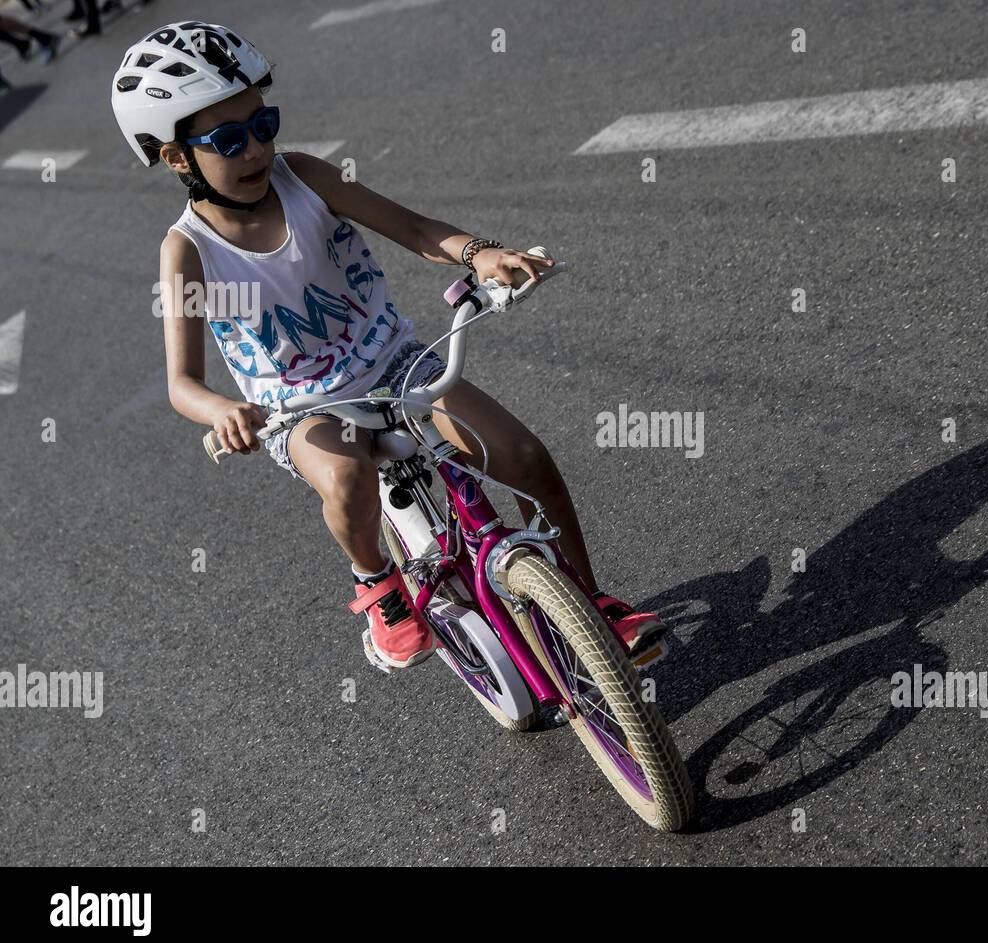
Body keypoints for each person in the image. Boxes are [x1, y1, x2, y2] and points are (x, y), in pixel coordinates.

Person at [111, 21, 666, 669]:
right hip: (301, 411)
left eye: (264, 124)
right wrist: (222, 413)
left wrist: (481, 254)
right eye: (228, 140)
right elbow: (183, 384)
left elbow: (413, 228)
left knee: (521, 454)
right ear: (176, 157)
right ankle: (377, 583)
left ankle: (592, 605)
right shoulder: (186, 250)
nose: (257, 149)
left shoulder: (306, 177)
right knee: (346, 477)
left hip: (396, 365)